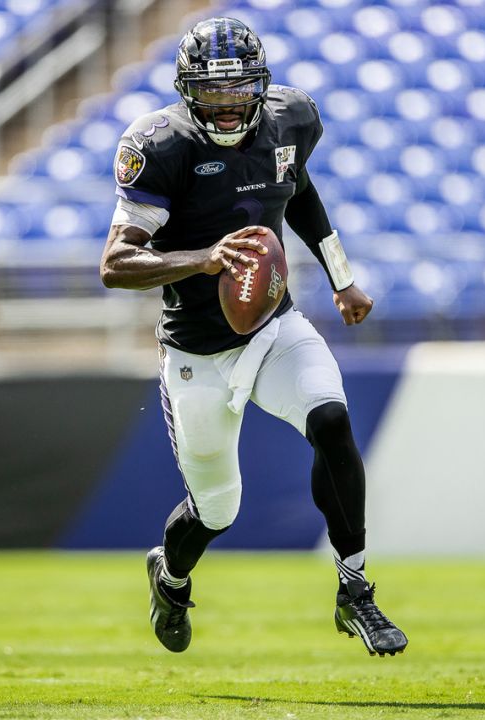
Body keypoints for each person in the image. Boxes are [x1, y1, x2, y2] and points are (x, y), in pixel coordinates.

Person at [98, 16, 408, 657]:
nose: (229, 103)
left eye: (239, 89)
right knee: (216, 510)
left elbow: (297, 191)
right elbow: (116, 264)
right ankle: (171, 576)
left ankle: (356, 590)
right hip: (195, 352)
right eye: (213, 92)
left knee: (330, 419)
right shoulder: (161, 145)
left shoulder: (291, 118)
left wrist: (342, 278)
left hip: (273, 327)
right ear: (188, 93)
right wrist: (202, 258)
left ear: (261, 87)